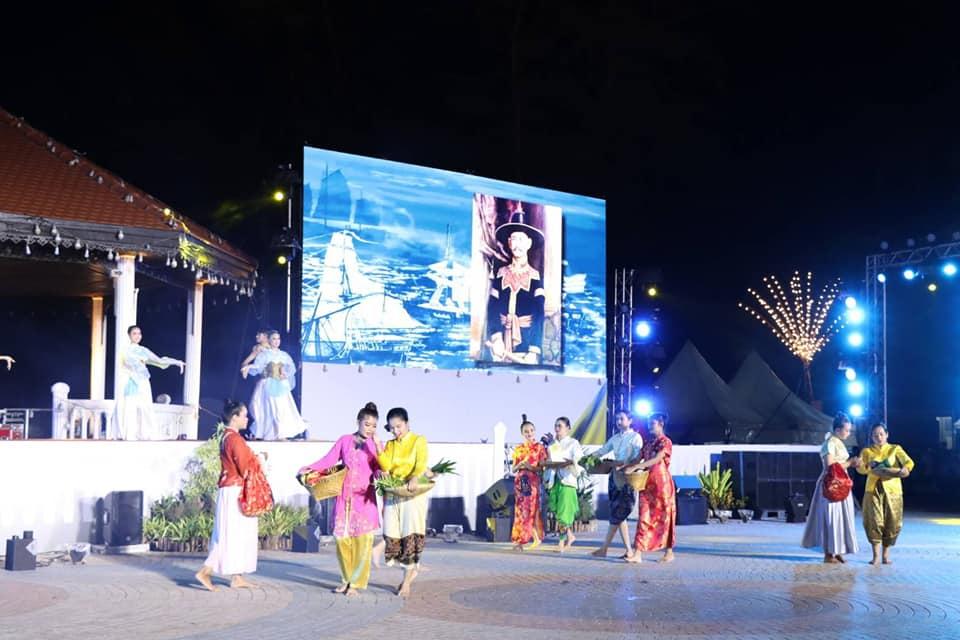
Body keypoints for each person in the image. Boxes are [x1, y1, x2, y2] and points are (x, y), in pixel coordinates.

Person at [301, 402, 381, 595]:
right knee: (341, 540)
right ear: (358, 422)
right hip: (344, 499)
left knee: (362, 543)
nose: (370, 429)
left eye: (374, 426)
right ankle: (346, 579)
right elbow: (328, 460)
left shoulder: (375, 445)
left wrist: (381, 468)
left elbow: (380, 468)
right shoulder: (344, 440)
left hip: (365, 501)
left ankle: (356, 583)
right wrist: (309, 469)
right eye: (367, 424)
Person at [195, 400, 260, 591]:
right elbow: (245, 468)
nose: (247, 419)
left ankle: (237, 577)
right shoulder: (234, 439)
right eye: (244, 415)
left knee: (232, 533)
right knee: (231, 535)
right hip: (235, 490)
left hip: (230, 489)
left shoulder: (227, 437)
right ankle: (205, 572)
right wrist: (260, 460)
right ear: (234, 417)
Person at [375, 407, 431, 597]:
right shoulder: (391, 444)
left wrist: (415, 477)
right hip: (395, 492)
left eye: (398, 426)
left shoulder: (418, 440)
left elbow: (421, 462)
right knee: (391, 533)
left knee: (409, 535)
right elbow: (386, 465)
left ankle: (406, 581)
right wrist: (378, 447)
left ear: (407, 423)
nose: (395, 431)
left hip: (412, 494)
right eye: (391, 428)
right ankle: (412, 569)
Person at [484, 206, 546, 366]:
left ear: (529, 243)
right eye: (513, 239)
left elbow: (539, 315)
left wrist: (533, 350)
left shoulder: (535, 276)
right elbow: (493, 308)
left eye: (521, 239)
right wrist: (496, 338)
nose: (517, 244)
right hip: (500, 345)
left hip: (526, 343)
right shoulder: (500, 273)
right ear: (509, 243)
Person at [801, 412, 861, 563]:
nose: (848, 433)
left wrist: (852, 464)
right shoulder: (829, 443)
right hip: (831, 485)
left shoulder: (838, 442)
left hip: (842, 483)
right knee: (832, 518)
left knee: (841, 517)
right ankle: (829, 553)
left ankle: (838, 549)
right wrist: (850, 463)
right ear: (838, 429)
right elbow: (830, 466)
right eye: (846, 430)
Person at [856, 423, 915, 565]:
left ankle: (886, 555)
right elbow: (860, 469)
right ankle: (876, 555)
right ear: (872, 437)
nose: (879, 437)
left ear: (887, 434)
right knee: (874, 521)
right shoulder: (867, 451)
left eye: (881, 434)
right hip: (872, 490)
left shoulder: (895, 449)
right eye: (875, 435)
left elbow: (909, 462)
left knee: (892, 521)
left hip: (893, 490)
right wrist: (868, 466)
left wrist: (905, 469)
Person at [113, 325, 185, 440]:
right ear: (129, 335)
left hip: (143, 382)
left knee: (146, 408)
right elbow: (124, 366)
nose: (137, 336)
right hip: (131, 382)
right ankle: (129, 434)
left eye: (139, 333)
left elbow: (159, 361)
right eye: (134, 333)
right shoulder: (124, 350)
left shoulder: (143, 350)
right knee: (129, 408)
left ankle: (145, 434)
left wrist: (176, 362)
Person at [623, 413, 676, 564]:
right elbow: (637, 458)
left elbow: (657, 459)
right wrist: (625, 466)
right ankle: (638, 553)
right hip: (646, 484)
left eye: (652, 423)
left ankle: (669, 551)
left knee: (666, 517)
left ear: (661, 424)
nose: (649, 426)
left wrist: (637, 467)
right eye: (648, 423)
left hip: (662, 486)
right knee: (644, 517)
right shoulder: (648, 442)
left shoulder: (665, 442)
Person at [591, 410, 644, 559]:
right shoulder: (614, 438)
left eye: (622, 419)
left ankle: (605, 548)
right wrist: (587, 458)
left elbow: (637, 458)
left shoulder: (635, 437)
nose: (618, 422)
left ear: (630, 420)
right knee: (618, 515)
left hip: (628, 479)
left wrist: (624, 465)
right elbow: (602, 451)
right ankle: (627, 550)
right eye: (617, 419)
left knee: (619, 514)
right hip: (615, 478)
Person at [241, 330, 306, 440]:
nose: (276, 341)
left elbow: (291, 367)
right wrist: (248, 367)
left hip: (280, 384)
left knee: (282, 409)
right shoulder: (264, 355)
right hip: (268, 384)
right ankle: (270, 433)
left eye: (278, 339)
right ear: (269, 340)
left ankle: (281, 433)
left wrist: (285, 374)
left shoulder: (283, 355)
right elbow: (258, 367)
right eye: (274, 339)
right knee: (267, 409)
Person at [544, 416, 583, 552]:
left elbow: (578, 460)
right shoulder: (553, 444)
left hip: (567, 481)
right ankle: (570, 536)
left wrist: (571, 462)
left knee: (563, 513)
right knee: (556, 510)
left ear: (568, 428)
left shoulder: (573, 443)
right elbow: (551, 460)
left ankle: (561, 542)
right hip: (555, 480)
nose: (557, 428)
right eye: (555, 426)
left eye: (560, 426)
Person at [510, 416, 548, 551]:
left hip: (531, 482)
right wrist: (520, 464)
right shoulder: (518, 449)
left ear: (535, 431)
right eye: (526, 431)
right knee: (520, 511)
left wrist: (530, 467)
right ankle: (533, 538)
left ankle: (522, 541)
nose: (529, 433)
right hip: (520, 482)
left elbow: (542, 468)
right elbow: (513, 469)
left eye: (531, 430)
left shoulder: (539, 448)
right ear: (522, 433)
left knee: (529, 510)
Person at [242, 330, 271, 439]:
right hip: (263, 382)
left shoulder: (273, 349)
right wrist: (247, 368)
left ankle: (270, 433)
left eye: (259, 334)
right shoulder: (258, 348)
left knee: (271, 408)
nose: (256, 336)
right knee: (258, 406)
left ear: (265, 336)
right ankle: (258, 432)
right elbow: (245, 362)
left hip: (274, 383)